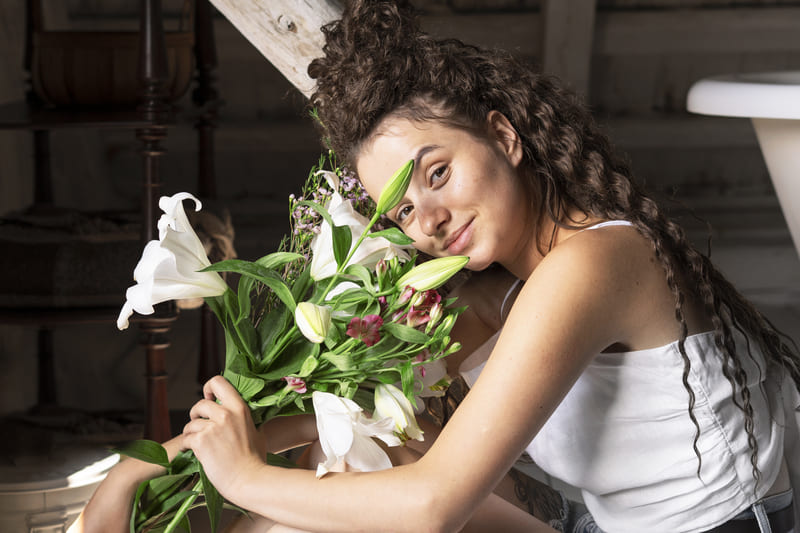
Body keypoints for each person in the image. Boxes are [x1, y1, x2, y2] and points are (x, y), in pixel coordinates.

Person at [76, 1, 800, 531]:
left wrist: (241, 474)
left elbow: (432, 505)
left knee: (317, 510)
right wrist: (141, 467)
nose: (426, 219)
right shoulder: (496, 286)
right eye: (399, 211)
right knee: (306, 505)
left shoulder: (595, 261)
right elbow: (326, 409)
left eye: (438, 173)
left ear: (504, 136)